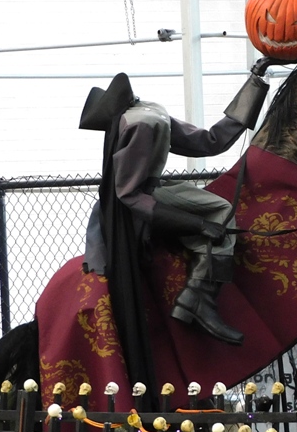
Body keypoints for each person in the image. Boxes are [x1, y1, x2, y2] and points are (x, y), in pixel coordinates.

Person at [79, 60, 271, 377]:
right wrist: (198, 224)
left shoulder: (143, 118)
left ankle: (197, 296)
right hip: (142, 200)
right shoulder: (147, 117)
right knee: (220, 211)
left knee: (217, 208)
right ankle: (199, 297)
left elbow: (208, 141)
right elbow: (131, 195)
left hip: (149, 191)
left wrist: (256, 83)